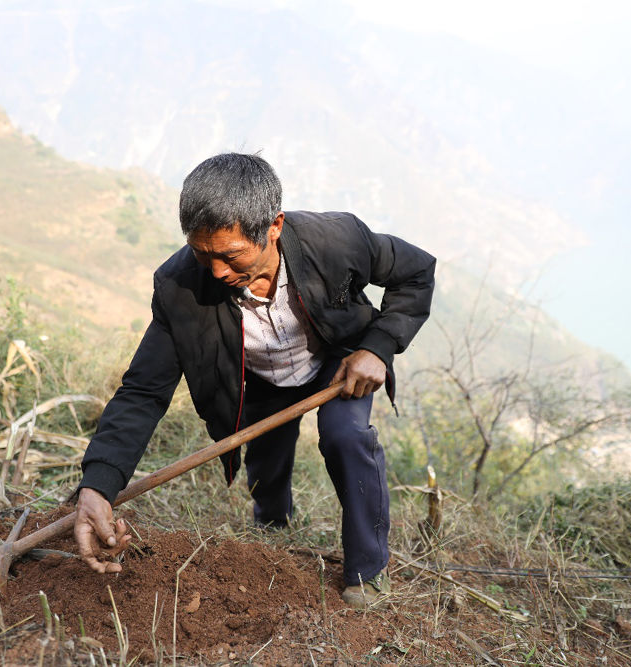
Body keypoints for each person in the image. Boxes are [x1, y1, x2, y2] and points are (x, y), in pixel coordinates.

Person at [73, 152, 435, 607]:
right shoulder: (179, 287)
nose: (218, 271)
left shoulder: (337, 240)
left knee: (347, 436)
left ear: (274, 227)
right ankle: (272, 528)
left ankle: (367, 570)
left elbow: (417, 273)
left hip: (337, 360)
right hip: (259, 378)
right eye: (203, 254)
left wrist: (377, 348)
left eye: (230, 255)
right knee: (267, 469)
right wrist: (98, 485)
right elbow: (143, 392)